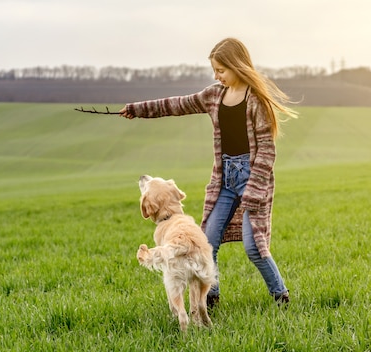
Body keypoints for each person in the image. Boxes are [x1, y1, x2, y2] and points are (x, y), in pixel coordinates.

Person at [119, 38, 296, 307]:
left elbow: (267, 152)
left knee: (254, 246)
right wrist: (137, 109)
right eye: (214, 71)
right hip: (224, 179)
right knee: (207, 240)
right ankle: (209, 297)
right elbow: (175, 104)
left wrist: (254, 190)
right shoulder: (214, 96)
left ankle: (280, 294)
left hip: (252, 179)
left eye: (221, 70)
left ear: (238, 66)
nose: (217, 76)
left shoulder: (256, 101)